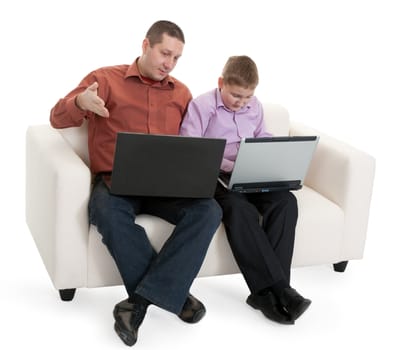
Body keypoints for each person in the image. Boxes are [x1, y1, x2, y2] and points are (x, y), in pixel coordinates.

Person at [50, 20, 222, 347]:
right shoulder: (104, 79)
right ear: (146, 45)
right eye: (164, 53)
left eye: (176, 58)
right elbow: (56, 117)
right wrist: (80, 104)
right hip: (116, 183)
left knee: (208, 211)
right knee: (106, 214)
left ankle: (137, 304)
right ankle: (175, 294)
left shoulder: (181, 93)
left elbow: (193, 143)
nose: (169, 63)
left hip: (167, 185)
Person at [180, 55, 311, 325]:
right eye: (236, 95)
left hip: (252, 173)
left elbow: (261, 134)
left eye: (247, 97)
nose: (241, 102)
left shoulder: (255, 107)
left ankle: (269, 293)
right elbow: (191, 149)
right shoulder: (202, 106)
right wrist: (229, 163)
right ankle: (278, 291)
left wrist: (270, 152)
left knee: (286, 202)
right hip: (217, 178)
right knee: (239, 209)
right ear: (221, 83)